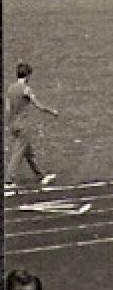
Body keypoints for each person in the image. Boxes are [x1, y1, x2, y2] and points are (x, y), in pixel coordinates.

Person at [5, 62, 60, 192]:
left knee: (28, 153)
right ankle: (8, 180)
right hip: (23, 125)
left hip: (13, 124)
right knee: (18, 153)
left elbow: (8, 108)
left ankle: (40, 175)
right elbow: (38, 105)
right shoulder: (26, 89)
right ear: (27, 75)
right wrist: (52, 111)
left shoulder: (10, 89)